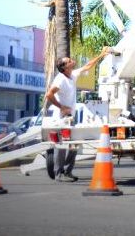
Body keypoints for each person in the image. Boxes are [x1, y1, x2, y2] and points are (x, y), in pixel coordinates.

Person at [45, 47, 111, 182]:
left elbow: (87, 66)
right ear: (64, 67)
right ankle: (58, 174)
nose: (72, 60)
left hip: (71, 117)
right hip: (62, 118)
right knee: (61, 145)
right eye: (69, 61)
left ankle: (68, 171)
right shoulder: (60, 79)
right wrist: (61, 107)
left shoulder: (72, 75)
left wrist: (101, 55)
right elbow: (49, 94)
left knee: (74, 144)